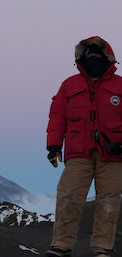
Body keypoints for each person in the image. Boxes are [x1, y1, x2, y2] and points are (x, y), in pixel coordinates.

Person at [46, 36, 122, 257]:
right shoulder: (69, 85)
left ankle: (103, 249)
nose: (94, 58)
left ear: (107, 57)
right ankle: (61, 245)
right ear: (82, 58)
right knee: (68, 195)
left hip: (114, 154)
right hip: (79, 152)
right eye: (89, 54)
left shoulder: (120, 85)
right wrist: (53, 145)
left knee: (108, 202)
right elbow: (57, 116)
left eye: (98, 54)